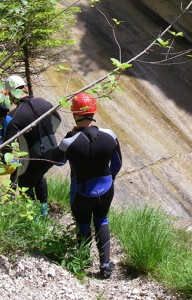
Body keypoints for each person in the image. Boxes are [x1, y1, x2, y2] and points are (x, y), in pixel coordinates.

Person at [56, 92, 122, 279]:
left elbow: (58, 162)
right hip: (106, 186)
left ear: (75, 114)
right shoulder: (109, 135)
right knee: (102, 219)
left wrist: (68, 137)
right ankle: (105, 266)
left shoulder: (68, 142)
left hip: (82, 191)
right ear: (93, 112)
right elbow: (117, 164)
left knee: (83, 223)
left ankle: (83, 262)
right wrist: (111, 180)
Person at [3, 75, 61, 211]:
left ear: (10, 94)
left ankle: (35, 220)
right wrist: (48, 133)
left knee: (24, 182)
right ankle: (44, 211)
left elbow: (6, 146)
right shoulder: (43, 103)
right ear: (25, 88)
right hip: (53, 151)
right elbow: (57, 120)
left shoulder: (13, 116)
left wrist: (9, 162)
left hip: (33, 156)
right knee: (39, 175)